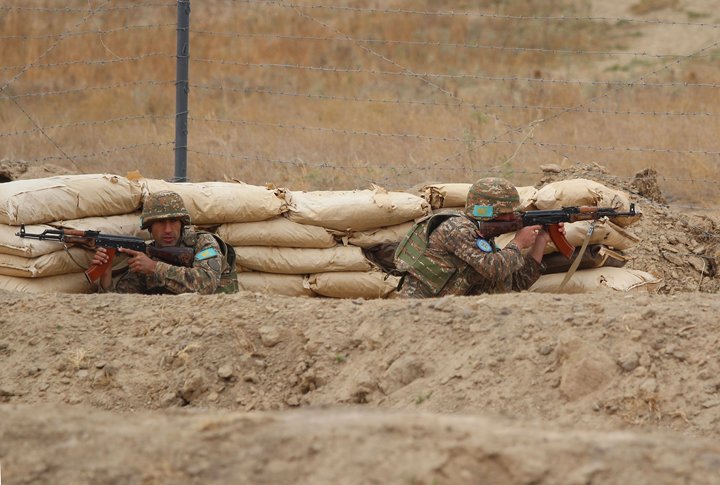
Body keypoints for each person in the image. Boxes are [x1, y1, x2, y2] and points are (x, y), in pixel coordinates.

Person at [394, 177, 564, 298]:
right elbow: (494, 269)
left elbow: (515, 283)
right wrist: (518, 242)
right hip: (421, 311)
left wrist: (541, 240)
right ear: (492, 213)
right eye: (509, 213)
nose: (514, 218)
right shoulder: (457, 229)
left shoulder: (482, 237)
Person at [91, 190, 238, 294]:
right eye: (160, 222)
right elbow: (123, 306)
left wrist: (155, 268)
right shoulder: (147, 256)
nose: (168, 229)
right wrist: (106, 276)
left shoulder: (203, 243)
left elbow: (206, 284)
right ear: (150, 228)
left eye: (173, 221)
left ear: (182, 224)